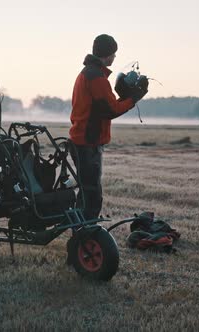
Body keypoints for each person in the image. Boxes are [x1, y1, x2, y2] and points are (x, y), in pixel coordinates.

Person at [69, 34, 148, 220]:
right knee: (92, 195)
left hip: (82, 140)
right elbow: (111, 110)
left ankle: (81, 231)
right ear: (108, 54)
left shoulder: (88, 73)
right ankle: (86, 235)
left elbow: (105, 107)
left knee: (87, 191)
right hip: (88, 143)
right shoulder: (96, 77)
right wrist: (134, 97)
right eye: (114, 54)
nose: (114, 58)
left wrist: (127, 98)